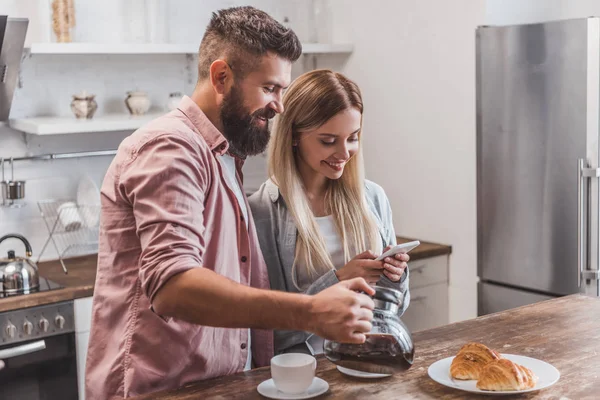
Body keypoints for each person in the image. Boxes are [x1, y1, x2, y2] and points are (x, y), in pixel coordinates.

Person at [85, 8, 376, 399]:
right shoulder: (172, 149)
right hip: (158, 389)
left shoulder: (221, 154)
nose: (280, 106)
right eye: (270, 88)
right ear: (221, 77)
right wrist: (310, 312)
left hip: (209, 386)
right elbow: (173, 285)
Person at [249, 69, 411, 355]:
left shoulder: (372, 198)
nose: (344, 153)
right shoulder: (262, 212)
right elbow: (265, 331)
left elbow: (394, 310)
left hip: (366, 361)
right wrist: (338, 281)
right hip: (303, 372)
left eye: (353, 138)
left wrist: (394, 277)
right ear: (294, 136)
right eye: (328, 140)